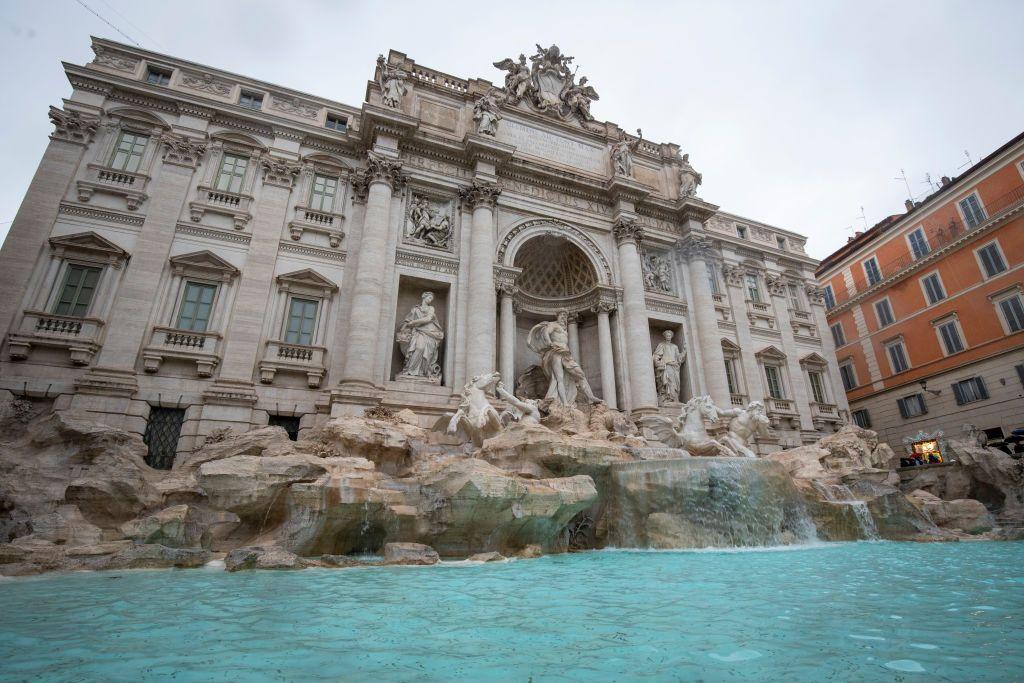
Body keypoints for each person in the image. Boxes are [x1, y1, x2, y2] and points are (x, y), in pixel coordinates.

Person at [396, 292, 444, 380]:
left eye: (431, 299)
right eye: (429, 298)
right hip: (418, 332)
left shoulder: (431, 308)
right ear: (424, 297)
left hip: (430, 332)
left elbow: (428, 319)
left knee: (424, 350)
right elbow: (407, 320)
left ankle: (422, 372)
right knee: (419, 348)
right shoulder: (415, 309)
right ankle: (410, 371)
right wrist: (405, 326)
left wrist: (414, 322)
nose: (430, 300)